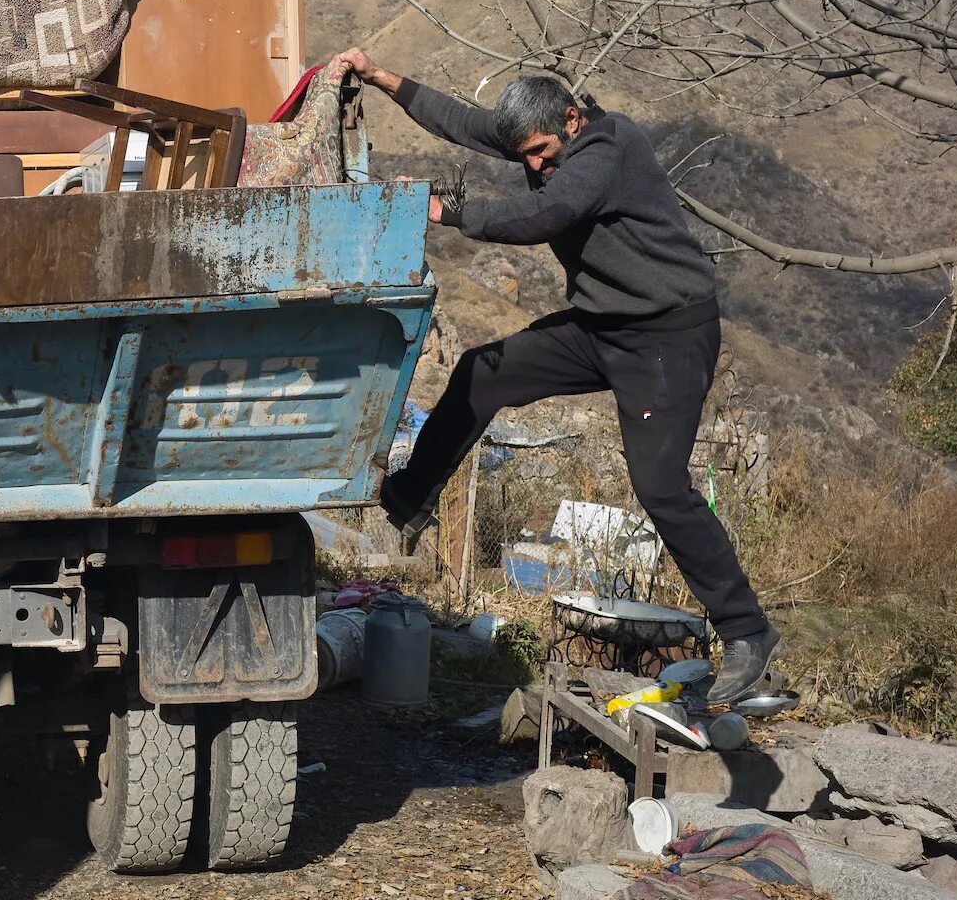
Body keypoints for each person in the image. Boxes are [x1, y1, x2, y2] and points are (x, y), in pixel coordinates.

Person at [328, 47, 779, 704]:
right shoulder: (543, 134)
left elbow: (545, 216)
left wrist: (445, 215)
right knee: (482, 372)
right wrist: (381, 76)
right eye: (526, 155)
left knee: (659, 485)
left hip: (666, 336)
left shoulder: (605, 149)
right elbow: (460, 120)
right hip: (601, 326)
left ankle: (747, 632)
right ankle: (410, 496)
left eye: (541, 151)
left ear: (571, 118)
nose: (535, 164)